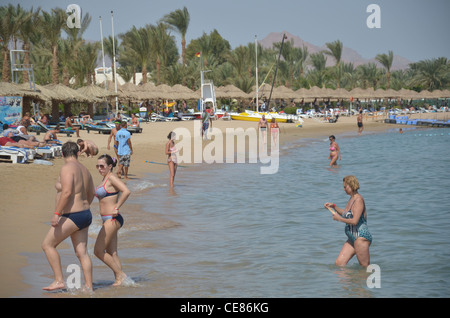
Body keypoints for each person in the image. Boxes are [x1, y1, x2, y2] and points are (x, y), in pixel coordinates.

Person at [41, 141, 95, 291]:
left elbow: (67, 192)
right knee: (82, 253)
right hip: (85, 214)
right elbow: (92, 193)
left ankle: (59, 280)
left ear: (63, 154)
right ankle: (89, 287)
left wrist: (56, 214)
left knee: (48, 245)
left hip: (72, 215)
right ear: (78, 153)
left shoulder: (67, 168)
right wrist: (84, 207)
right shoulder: (85, 169)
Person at [94, 154, 130, 286]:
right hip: (107, 220)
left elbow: (126, 191)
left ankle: (120, 275)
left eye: (102, 166)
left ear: (110, 166)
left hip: (112, 218)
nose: (99, 169)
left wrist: (117, 207)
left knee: (98, 251)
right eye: (97, 166)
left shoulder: (112, 177)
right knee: (112, 252)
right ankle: (120, 280)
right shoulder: (105, 179)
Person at [324, 175, 372, 267]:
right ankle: (350, 281)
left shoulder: (358, 200)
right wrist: (333, 206)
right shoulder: (352, 198)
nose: (343, 189)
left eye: (345, 187)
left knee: (365, 268)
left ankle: (367, 280)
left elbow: (354, 221)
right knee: (339, 264)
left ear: (351, 185)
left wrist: (339, 219)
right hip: (352, 238)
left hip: (360, 238)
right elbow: (346, 213)